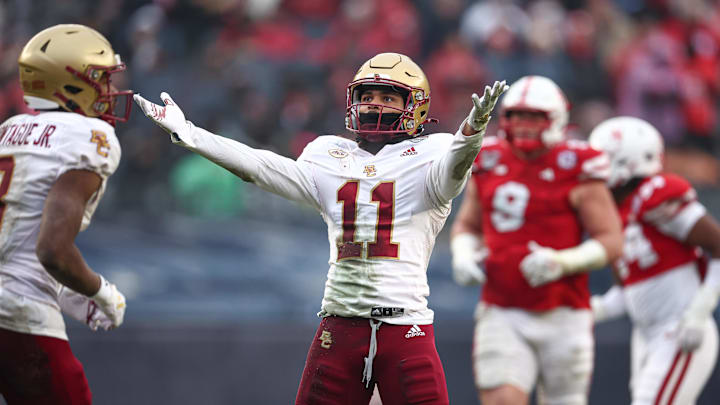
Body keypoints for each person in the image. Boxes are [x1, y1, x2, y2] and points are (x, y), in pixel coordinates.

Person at [134, 52, 507, 405]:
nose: (374, 104)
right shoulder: (328, 153)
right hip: (340, 326)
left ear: (416, 107)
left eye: (388, 97)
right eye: (368, 95)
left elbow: (452, 175)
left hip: (405, 328)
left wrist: (470, 133)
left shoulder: (434, 152)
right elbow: (260, 168)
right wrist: (192, 134)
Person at [449, 75, 624, 405]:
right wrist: (462, 254)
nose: (524, 126)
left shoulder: (577, 165)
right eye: (517, 116)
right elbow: (468, 226)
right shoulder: (488, 159)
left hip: (565, 311)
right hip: (502, 309)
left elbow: (611, 240)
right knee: (501, 398)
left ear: (556, 120)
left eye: (534, 117)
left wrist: (562, 261)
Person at [0, 24, 129, 404]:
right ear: (70, 84)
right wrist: (100, 292)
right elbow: (51, 250)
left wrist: (70, 294)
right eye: (100, 79)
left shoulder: (10, 129)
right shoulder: (88, 136)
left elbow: (14, 238)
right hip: (19, 314)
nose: (109, 90)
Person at [588, 116, 720, 405]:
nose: (594, 169)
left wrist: (700, 309)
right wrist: (587, 311)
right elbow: (629, 294)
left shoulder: (655, 195)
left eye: (603, 160)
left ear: (628, 161)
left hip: (678, 327)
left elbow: (718, 245)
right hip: (646, 335)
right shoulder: (617, 215)